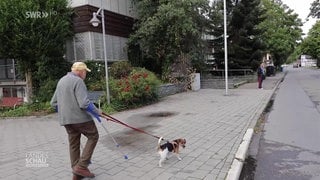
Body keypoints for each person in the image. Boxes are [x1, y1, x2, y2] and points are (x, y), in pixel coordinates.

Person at [50, 62, 106, 178]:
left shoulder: (62, 81)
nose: (85, 74)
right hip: (81, 119)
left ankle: (76, 171)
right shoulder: (78, 81)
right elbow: (84, 103)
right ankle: (81, 166)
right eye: (85, 72)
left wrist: (65, 112)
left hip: (66, 120)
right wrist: (98, 112)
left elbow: (53, 103)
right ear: (81, 71)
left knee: (74, 143)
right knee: (93, 136)